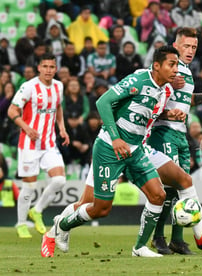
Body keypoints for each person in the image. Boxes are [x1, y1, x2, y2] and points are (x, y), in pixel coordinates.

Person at [43, 45, 182, 258]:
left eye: (177, 65)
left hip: (135, 149)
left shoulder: (163, 90)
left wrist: (168, 114)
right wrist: (116, 138)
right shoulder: (138, 80)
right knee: (100, 208)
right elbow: (103, 101)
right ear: (157, 65)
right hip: (110, 147)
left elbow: (143, 112)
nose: (176, 70)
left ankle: (140, 248)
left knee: (158, 194)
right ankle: (61, 226)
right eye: (172, 65)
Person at [147, 27, 202, 255]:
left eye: (194, 47)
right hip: (162, 131)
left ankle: (178, 240)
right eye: (186, 46)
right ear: (176, 46)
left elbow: (188, 100)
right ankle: (158, 238)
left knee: (182, 189)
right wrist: (167, 85)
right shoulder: (167, 68)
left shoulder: (185, 71)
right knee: (169, 188)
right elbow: (151, 92)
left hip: (181, 134)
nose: (190, 50)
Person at [7, 53, 70, 238]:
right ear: (39, 68)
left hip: (49, 143)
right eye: (45, 67)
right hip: (29, 144)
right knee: (29, 186)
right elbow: (12, 110)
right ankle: (20, 224)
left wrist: (62, 128)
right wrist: (26, 128)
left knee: (59, 180)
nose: (48, 70)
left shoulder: (59, 86)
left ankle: (37, 210)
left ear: (55, 69)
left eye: (52, 67)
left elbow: (58, 107)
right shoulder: (29, 87)